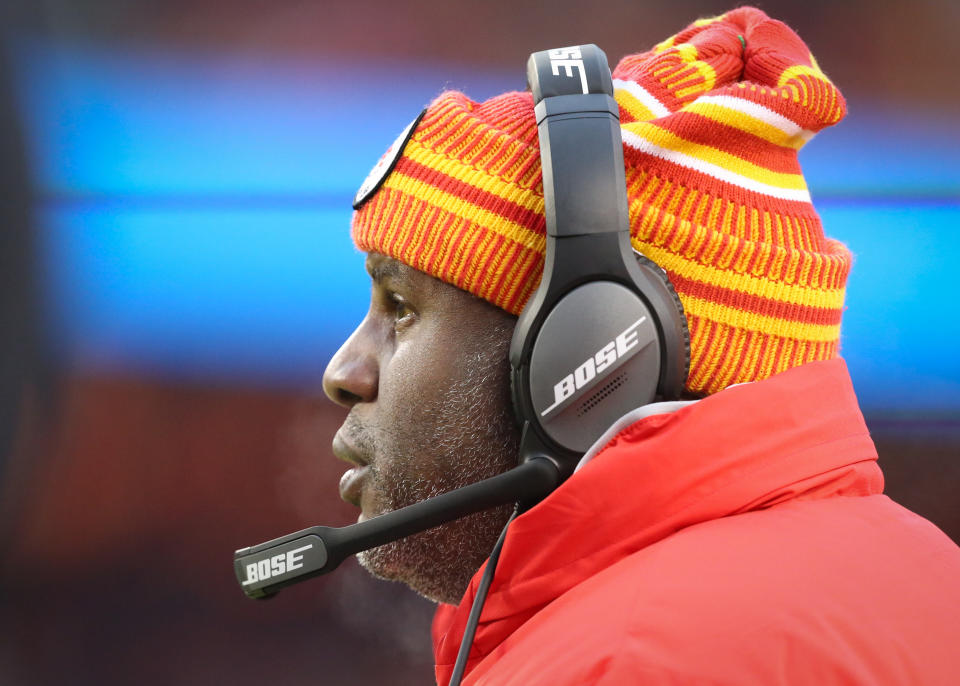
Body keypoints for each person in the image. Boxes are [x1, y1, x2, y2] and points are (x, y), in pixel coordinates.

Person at [322, 7, 960, 685]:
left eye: (402, 308)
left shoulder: (621, 662)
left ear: (592, 349)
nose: (344, 372)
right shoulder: (933, 576)